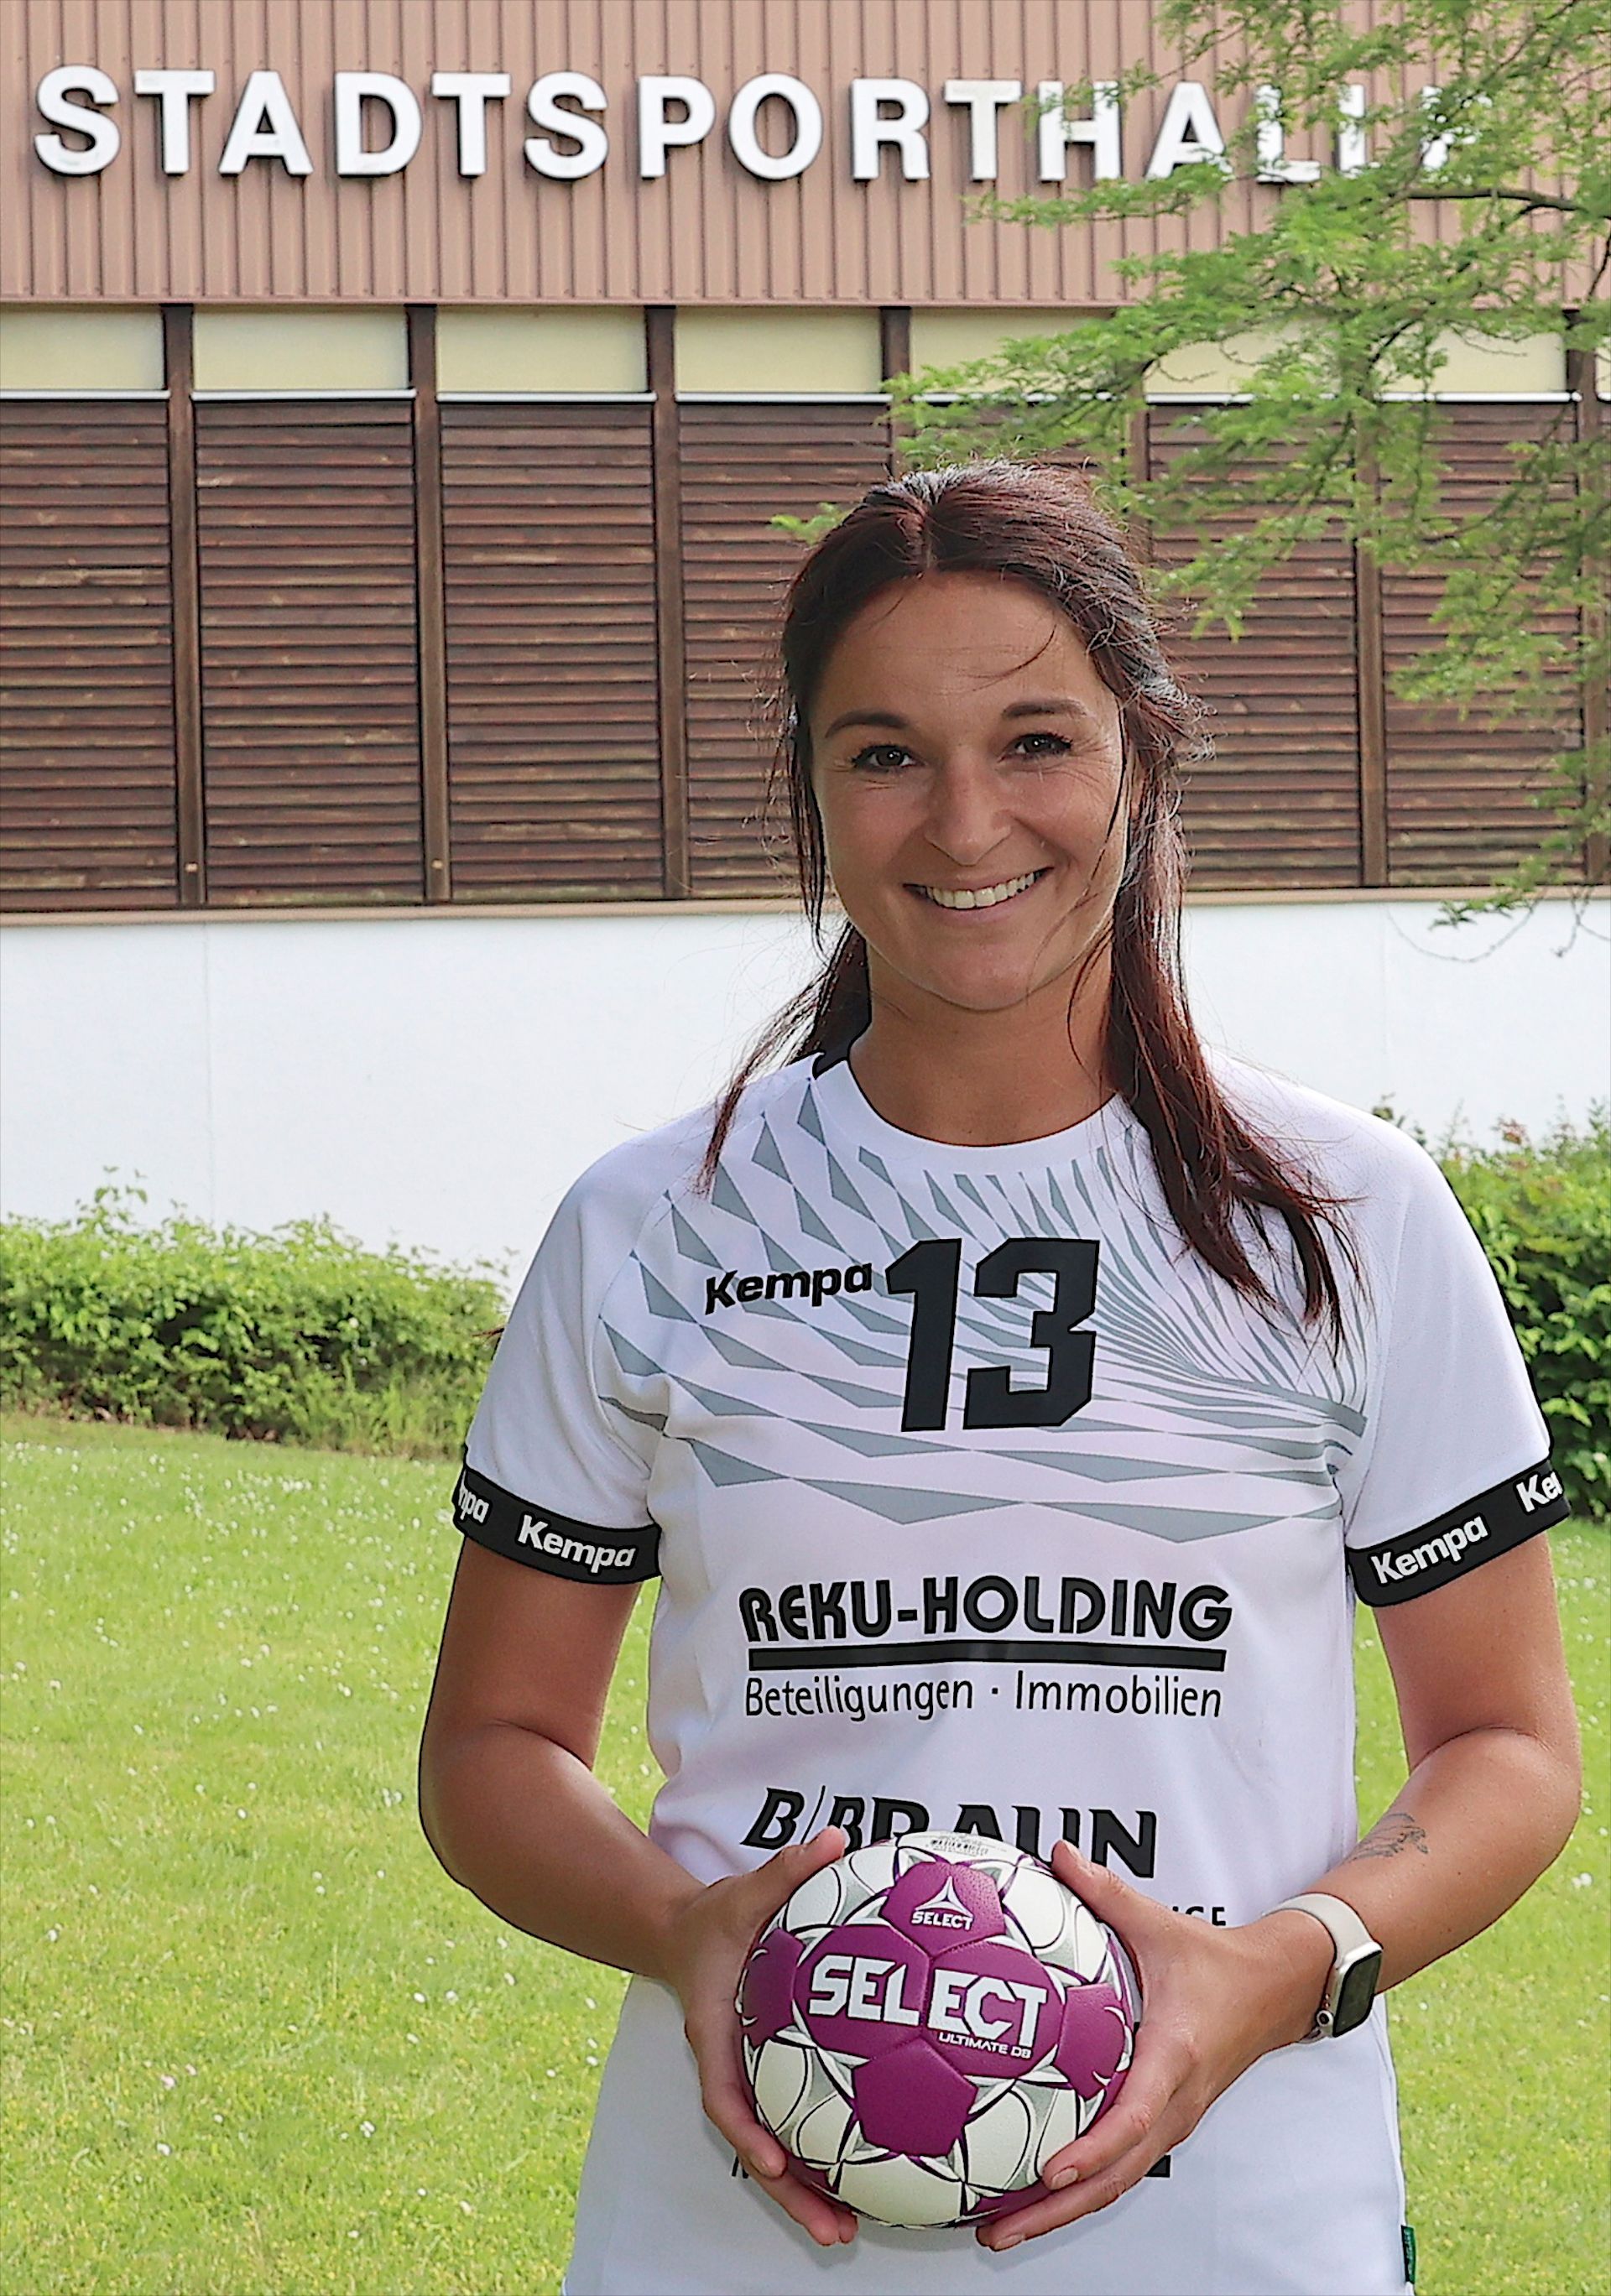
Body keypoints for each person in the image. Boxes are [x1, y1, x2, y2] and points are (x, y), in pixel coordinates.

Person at [417, 461, 1580, 2296]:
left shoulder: (1340, 1217)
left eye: (1036, 741)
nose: (967, 823)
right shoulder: (657, 1224)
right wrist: (685, 1927)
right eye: (885, 753)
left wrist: (1278, 1968)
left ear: (1140, 759)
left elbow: (1508, 1747)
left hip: (1240, 2234)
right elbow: (491, 1750)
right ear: (809, 786)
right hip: (732, 2235)